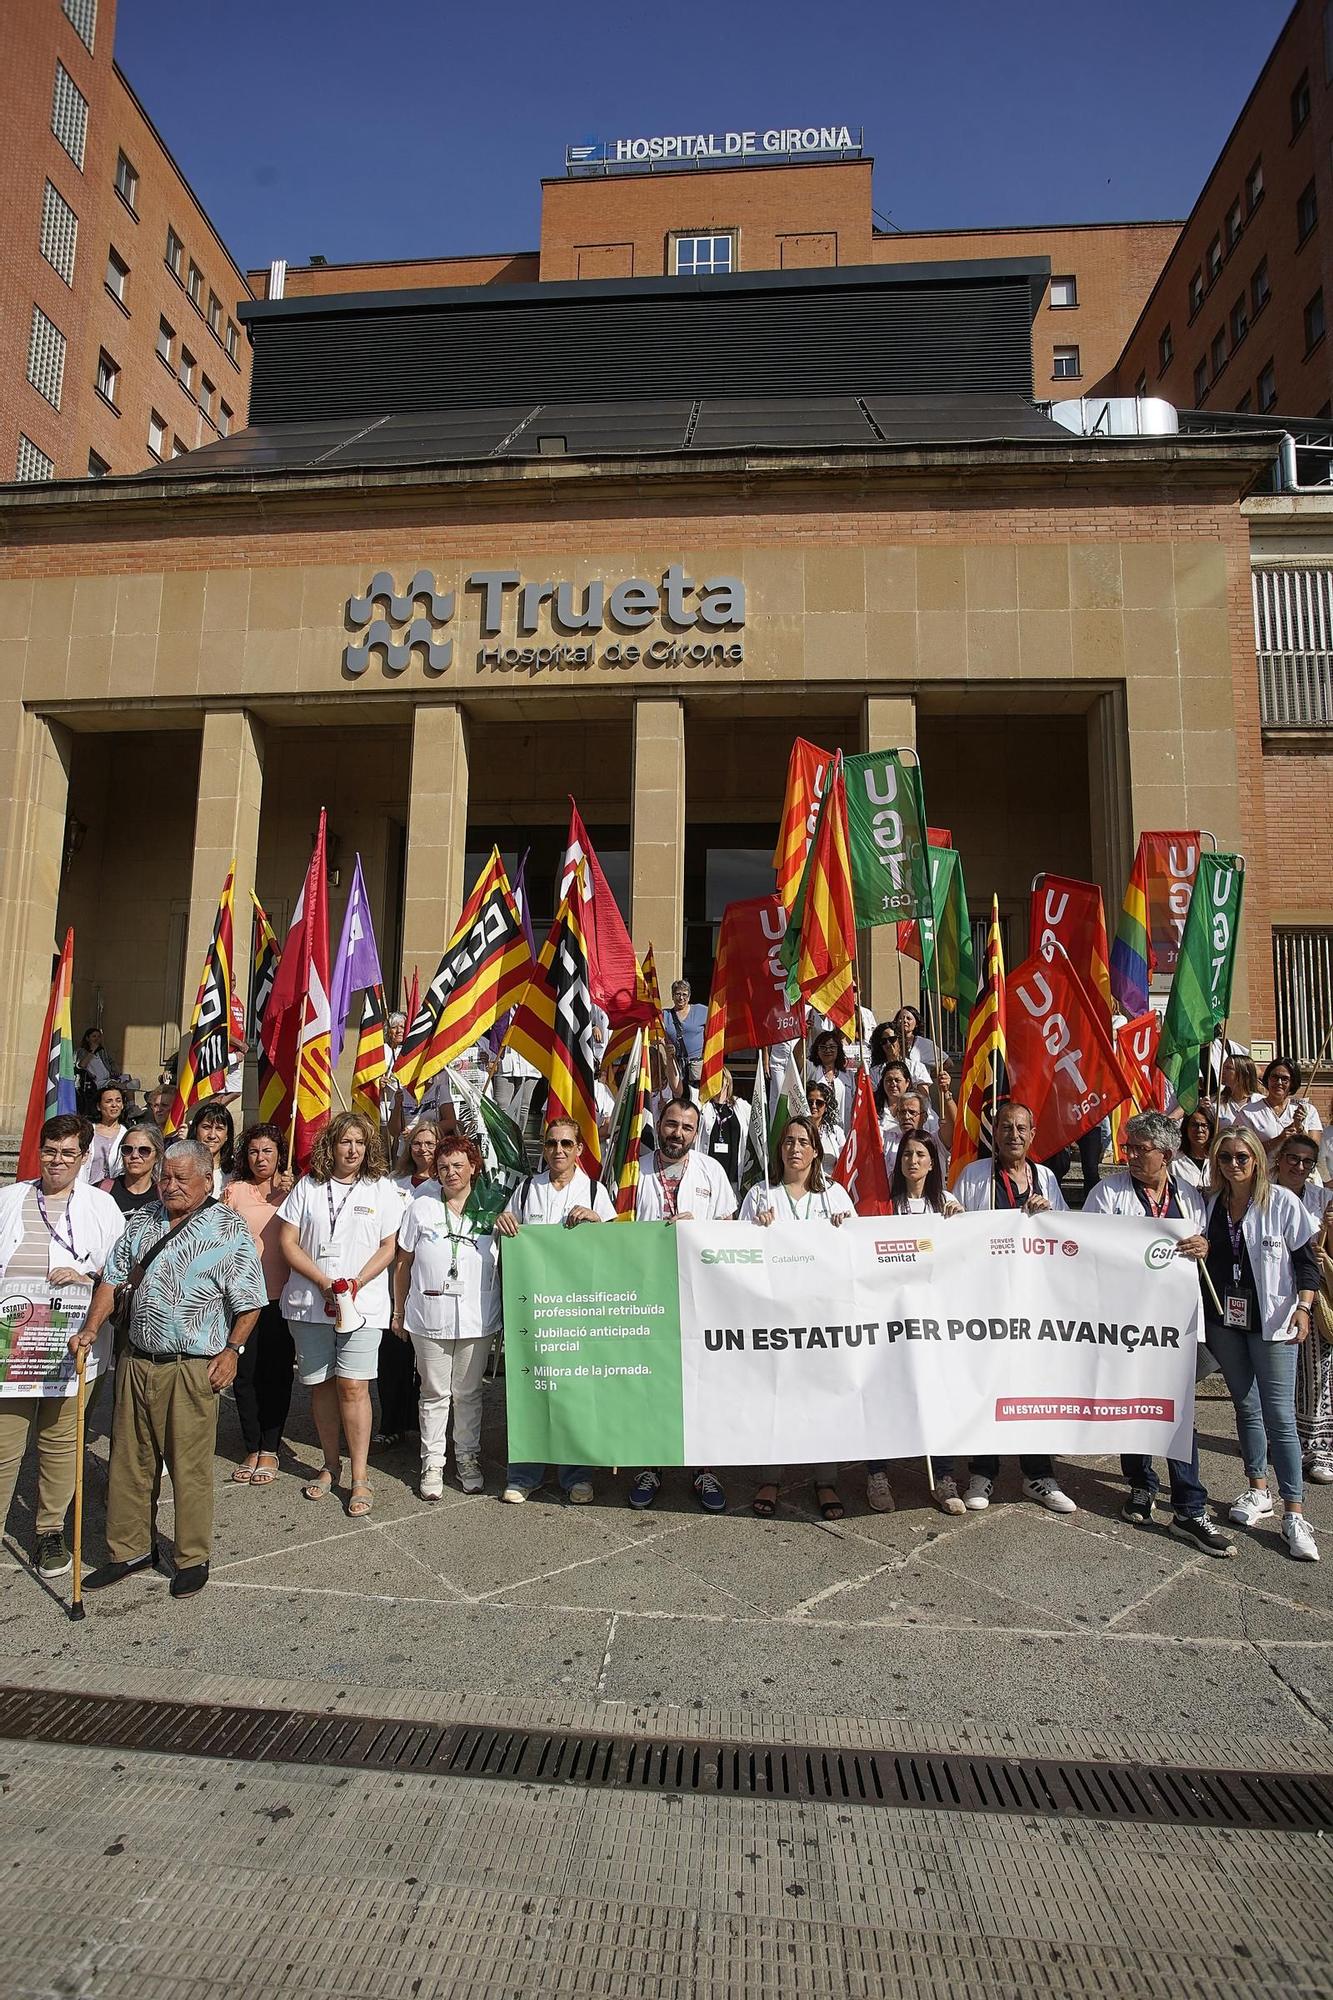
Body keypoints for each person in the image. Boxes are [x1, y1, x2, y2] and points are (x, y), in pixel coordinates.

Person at [72, 1138, 265, 1598]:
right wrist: (89, 1328)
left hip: (191, 1366)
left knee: (189, 1466)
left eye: (181, 1178)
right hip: (137, 1360)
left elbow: (250, 1303)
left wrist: (231, 1352)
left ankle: (192, 1556)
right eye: (165, 1177)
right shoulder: (142, 1220)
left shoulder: (228, 1230)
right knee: (130, 1462)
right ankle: (130, 1549)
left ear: (207, 1180)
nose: (170, 1185)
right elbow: (112, 1278)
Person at [1083, 1111, 1235, 1555]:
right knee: (1134, 1403)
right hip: (1126, 1322)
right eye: (1128, 1148)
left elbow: (1206, 1247)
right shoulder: (1107, 1194)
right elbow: (1088, 1248)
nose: (1130, 1156)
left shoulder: (1189, 1197)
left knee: (1176, 1409)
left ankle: (1189, 1505)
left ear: (1166, 1154)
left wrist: (1202, 1246)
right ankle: (1140, 1483)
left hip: (1175, 1325)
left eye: (1140, 1150)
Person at [0, 1115, 125, 1580]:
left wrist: (85, 1276)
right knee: (5, 1443)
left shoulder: (102, 1208)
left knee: (60, 1443)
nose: (57, 1160)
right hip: (11, 1350)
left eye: (68, 1152)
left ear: (84, 1156)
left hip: (71, 1350)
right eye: (50, 1150)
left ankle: (49, 1530)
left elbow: (119, 1275)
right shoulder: (9, 1199)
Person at [1203, 1125, 1321, 1560]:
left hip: (1274, 1323)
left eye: (1241, 1157)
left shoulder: (1283, 1203)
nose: (1233, 1165)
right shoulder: (1211, 1205)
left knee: (1280, 1417)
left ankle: (1295, 1511)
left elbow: (1307, 1265)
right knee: (1245, 1407)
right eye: (1225, 1158)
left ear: (1257, 1160)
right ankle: (1258, 1489)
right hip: (1226, 1323)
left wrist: (1303, 1308)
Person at [278, 1110, 403, 1519]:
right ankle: (330, 1465)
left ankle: (361, 1475)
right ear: (331, 1145)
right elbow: (288, 1241)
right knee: (322, 1386)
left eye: (360, 1143)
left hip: (361, 1305)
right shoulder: (308, 1187)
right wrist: (323, 1281)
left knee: (354, 1387)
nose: (353, 1150)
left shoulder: (381, 1189)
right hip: (312, 1303)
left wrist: (355, 1283)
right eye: (345, 1141)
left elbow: (389, 1246)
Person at [952, 1101, 1075, 1514]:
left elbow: (1064, 1235)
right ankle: (982, 1472)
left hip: (1032, 1302)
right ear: (995, 1131)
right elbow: (954, 1231)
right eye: (1006, 1127)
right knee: (987, 1385)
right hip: (985, 1301)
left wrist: (1049, 1213)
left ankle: (1038, 1474)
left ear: (1033, 1133)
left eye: (1022, 1128)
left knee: (1033, 1388)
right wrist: (951, 1212)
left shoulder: (1046, 1178)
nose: (1014, 1135)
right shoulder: (974, 1175)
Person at [740, 1115, 854, 1522]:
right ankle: (771, 1476)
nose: (794, 1148)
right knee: (777, 1396)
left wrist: (844, 1230)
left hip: (822, 1316)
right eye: (787, 1140)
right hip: (776, 1317)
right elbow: (740, 1254)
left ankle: (825, 1479)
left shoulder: (835, 1197)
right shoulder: (760, 1195)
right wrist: (757, 1230)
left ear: (816, 1150)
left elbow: (854, 1253)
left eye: (803, 1141)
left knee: (824, 1397)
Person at [495, 1115, 613, 1503]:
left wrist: (599, 1223)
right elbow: (505, 1237)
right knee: (530, 1390)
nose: (558, 1151)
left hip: (578, 1312)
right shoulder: (528, 1190)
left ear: (579, 1149)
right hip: (533, 1310)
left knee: (576, 1390)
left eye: (566, 1144)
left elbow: (617, 1255)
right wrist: (504, 1222)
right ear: (543, 1149)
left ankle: (576, 1475)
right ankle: (523, 1474)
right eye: (551, 1144)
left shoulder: (596, 1192)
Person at [628, 1097, 736, 1514]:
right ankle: (649, 1466)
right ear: (659, 1123)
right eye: (671, 1124)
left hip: (698, 1294)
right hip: (646, 1292)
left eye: (686, 1128)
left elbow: (730, 1227)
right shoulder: (634, 1170)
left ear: (697, 1133)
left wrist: (699, 1228)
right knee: (650, 1382)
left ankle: (703, 1468)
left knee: (700, 1382)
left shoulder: (712, 1171)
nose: (677, 1134)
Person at [392, 1132, 500, 1499]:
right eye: (443, 1167)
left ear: (473, 1167)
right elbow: (403, 1263)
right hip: (428, 1316)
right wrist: (397, 1310)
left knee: (468, 1393)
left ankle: (468, 1457)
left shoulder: (493, 1208)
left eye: (458, 1165)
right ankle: (432, 1462)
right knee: (434, 1392)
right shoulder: (421, 1207)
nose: (451, 1172)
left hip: (477, 1317)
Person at [867, 1134, 963, 1515]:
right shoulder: (884, 1205)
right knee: (884, 1395)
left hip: (935, 1319)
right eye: (906, 1153)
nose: (913, 1160)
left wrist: (961, 1224)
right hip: (890, 1318)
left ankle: (943, 1477)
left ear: (932, 1162)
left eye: (921, 1154)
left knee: (937, 1395)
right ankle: (877, 1474)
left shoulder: (948, 1204)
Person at [222, 1122, 296, 1487]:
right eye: (253, 1151)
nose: (260, 1158)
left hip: (283, 1297)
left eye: (267, 1151)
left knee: (277, 1373)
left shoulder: (294, 1192)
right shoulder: (233, 1192)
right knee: (245, 1375)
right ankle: (252, 1444)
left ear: (280, 1153)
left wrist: (291, 1192)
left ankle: (271, 1445)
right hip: (243, 1299)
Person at [1273, 1133, 1333, 1485]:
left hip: (1312, 1297)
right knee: (1277, 1379)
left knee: (1316, 1374)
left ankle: (1318, 1448)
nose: (1298, 1166)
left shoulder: (1323, 1200)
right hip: (1272, 1296)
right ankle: (1281, 1442)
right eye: (1292, 1159)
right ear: (1279, 1159)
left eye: (1306, 1162)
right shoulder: (1261, 1193)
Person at [1234, 1057, 1324, 1159]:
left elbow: (1315, 1150)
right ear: (1267, 1079)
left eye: (1285, 1079)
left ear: (1293, 1083)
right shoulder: (1248, 1112)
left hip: (1300, 1172)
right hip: (1266, 1173)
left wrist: (1300, 1130)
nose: (1279, 1082)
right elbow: (1241, 1151)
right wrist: (1279, 1139)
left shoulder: (1307, 1110)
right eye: (1274, 1077)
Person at [102, 1121, 165, 1214]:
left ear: (157, 1156)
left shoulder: (165, 1197)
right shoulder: (102, 1192)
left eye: (144, 1150)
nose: (135, 1155)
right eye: (127, 1149)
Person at [698, 1067, 743, 1184]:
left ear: (727, 1081)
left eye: (719, 1078)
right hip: (707, 1176)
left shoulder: (741, 1106)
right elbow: (679, 1089)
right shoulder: (702, 1104)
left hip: (733, 1177)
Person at [806, 1029, 854, 1129]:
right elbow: (799, 1057)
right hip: (817, 1128)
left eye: (832, 1047)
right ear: (817, 1050)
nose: (828, 1050)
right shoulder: (811, 1069)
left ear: (838, 1050)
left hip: (844, 1129)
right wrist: (804, 1034)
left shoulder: (848, 1075)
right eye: (823, 1047)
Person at [80, 1083, 127, 1185]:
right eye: (108, 1101)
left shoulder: (127, 1134)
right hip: (87, 1189)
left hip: (114, 1193)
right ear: (98, 1106)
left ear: (122, 1105)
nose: (114, 1105)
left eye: (118, 1101)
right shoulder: (87, 1131)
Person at [664, 979, 708, 1087]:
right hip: (676, 1065)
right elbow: (654, 1034)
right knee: (679, 1099)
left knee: (697, 1099)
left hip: (697, 1065)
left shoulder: (701, 1010)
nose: (681, 998)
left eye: (684, 994)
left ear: (689, 996)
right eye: (678, 994)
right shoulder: (665, 1015)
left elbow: (718, 1024)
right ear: (672, 996)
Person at [187, 1098, 235, 1194]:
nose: (212, 1135)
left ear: (227, 1135)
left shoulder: (236, 1173)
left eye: (219, 1128)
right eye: (206, 1127)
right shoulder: (182, 1167)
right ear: (195, 1130)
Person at [1173, 1105, 1217, 1193]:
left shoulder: (1218, 1160)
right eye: (1194, 1125)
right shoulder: (1174, 1162)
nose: (1199, 1129)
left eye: (1204, 1125)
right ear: (1186, 1128)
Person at [1210, 1054, 1261, 1129]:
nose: (1222, 1071)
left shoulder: (1261, 1102)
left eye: (1228, 1068)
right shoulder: (1215, 1102)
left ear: (1244, 1073)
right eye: (1223, 1067)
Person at [393, 1121, 441, 1199]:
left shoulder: (445, 1183)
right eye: (417, 1144)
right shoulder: (395, 1178)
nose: (423, 1149)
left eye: (429, 1144)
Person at [805, 1082, 846, 1170]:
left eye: (819, 1103)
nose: (814, 1106)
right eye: (810, 1102)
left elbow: (845, 1161)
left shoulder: (836, 1132)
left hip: (831, 1181)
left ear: (826, 1106)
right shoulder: (798, 1130)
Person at [892, 1005, 938, 1082]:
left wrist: (926, 1076)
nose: (905, 1021)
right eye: (901, 1018)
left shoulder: (925, 1044)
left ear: (916, 1023)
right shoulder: (890, 1042)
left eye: (909, 1018)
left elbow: (947, 1063)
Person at [75, 1026, 115, 1112]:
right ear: (87, 1038)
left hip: (108, 1078)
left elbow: (111, 1063)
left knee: (130, 1081)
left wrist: (114, 1072)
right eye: (94, 1036)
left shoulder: (102, 1052)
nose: (97, 1039)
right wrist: (92, 1050)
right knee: (118, 1085)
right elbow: (81, 1065)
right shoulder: (82, 1051)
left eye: (98, 1036)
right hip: (94, 1082)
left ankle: (131, 1107)